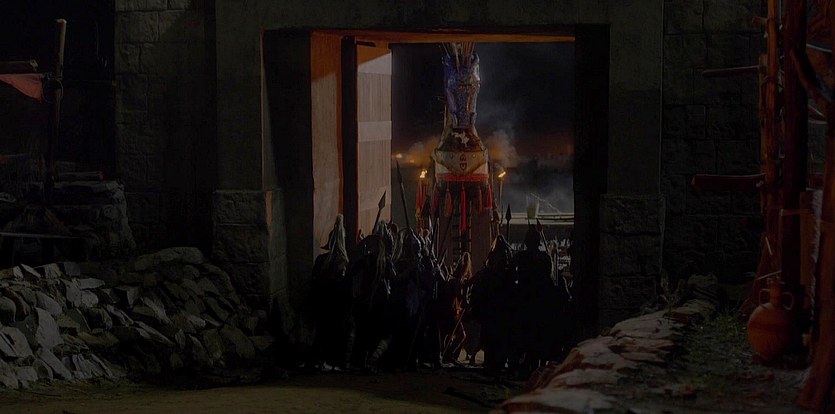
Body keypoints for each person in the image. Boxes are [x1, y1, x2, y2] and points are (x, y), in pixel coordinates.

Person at [510, 225, 559, 378]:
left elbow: (511, 274)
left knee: (526, 336)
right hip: (537, 302)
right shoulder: (544, 258)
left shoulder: (521, 257)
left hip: (527, 301)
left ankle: (527, 366)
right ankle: (531, 366)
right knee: (534, 336)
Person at [310, 215, 352, 370]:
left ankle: (322, 360)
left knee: (324, 332)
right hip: (333, 304)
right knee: (334, 333)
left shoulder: (323, 260)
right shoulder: (341, 263)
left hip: (324, 303)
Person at [471, 235, 514, 379]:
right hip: (492, 310)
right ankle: (491, 367)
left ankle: (494, 367)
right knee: (491, 342)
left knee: (497, 342)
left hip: (499, 310)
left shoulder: (506, 273)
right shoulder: (490, 273)